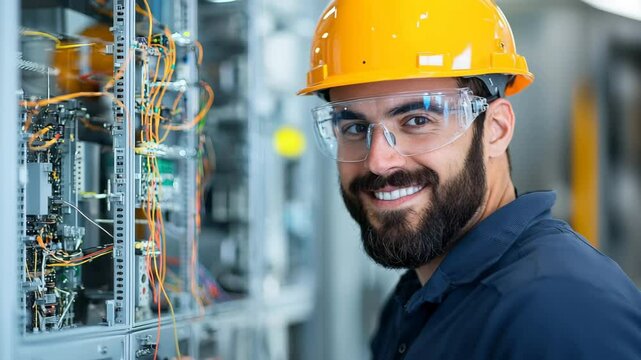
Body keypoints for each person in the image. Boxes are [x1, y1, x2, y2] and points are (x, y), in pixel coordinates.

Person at [297, 0, 641, 359]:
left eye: (416, 120)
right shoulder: (421, 297)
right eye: (354, 127)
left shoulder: (561, 315)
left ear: (496, 129)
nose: (379, 161)